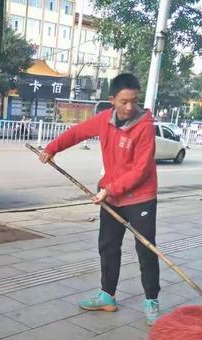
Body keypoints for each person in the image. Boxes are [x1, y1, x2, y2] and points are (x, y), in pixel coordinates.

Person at [39, 73, 160, 325]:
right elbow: (77, 133)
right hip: (112, 197)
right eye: (124, 101)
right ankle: (107, 295)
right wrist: (51, 148)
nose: (129, 107)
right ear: (112, 99)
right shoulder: (104, 120)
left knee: (146, 249)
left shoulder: (145, 127)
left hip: (140, 198)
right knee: (108, 246)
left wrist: (109, 189)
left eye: (134, 101)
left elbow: (141, 170)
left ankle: (151, 300)